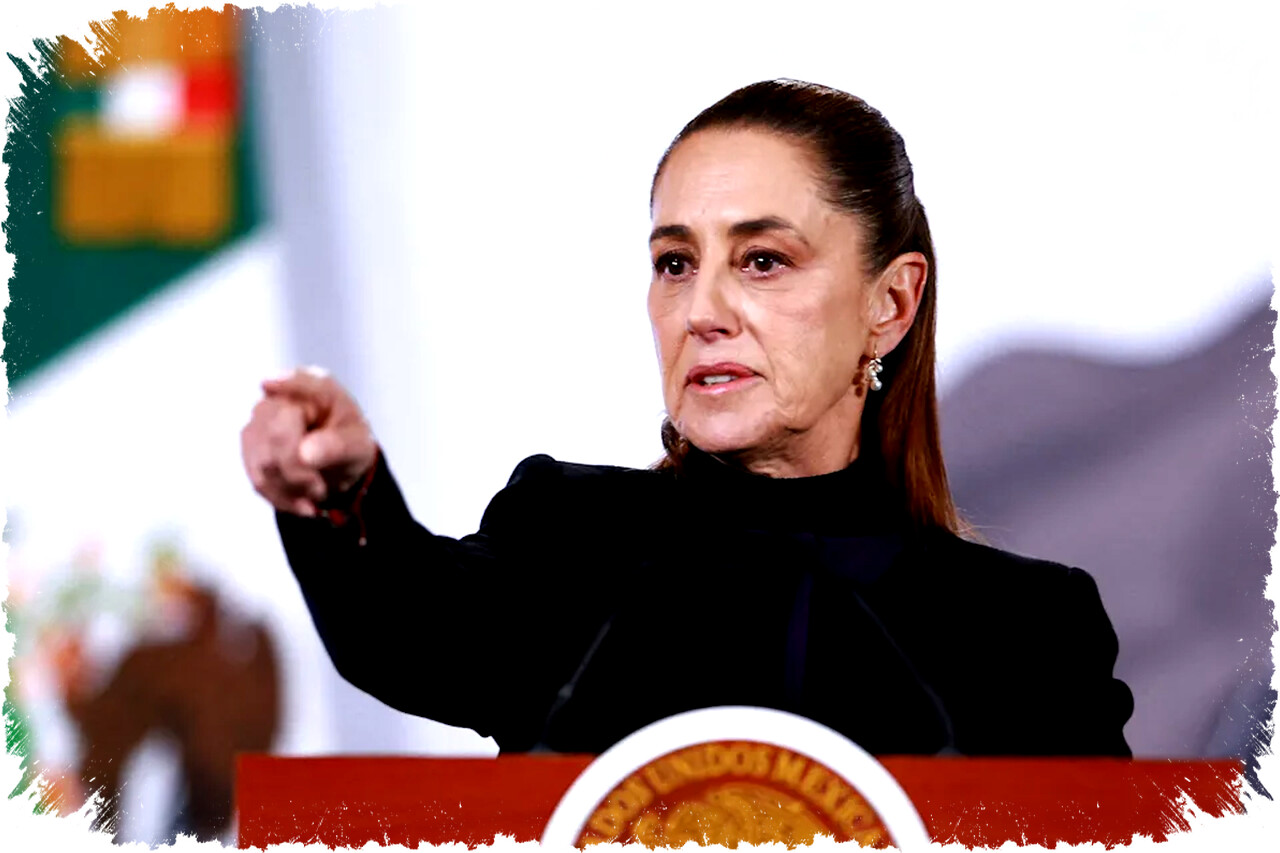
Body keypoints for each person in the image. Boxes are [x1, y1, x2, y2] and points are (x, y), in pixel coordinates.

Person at [241, 79, 1134, 757]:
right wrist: (340, 490)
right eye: (675, 263)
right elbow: (404, 627)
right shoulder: (570, 537)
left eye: (762, 260)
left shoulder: (1028, 632)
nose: (702, 310)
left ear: (890, 304)